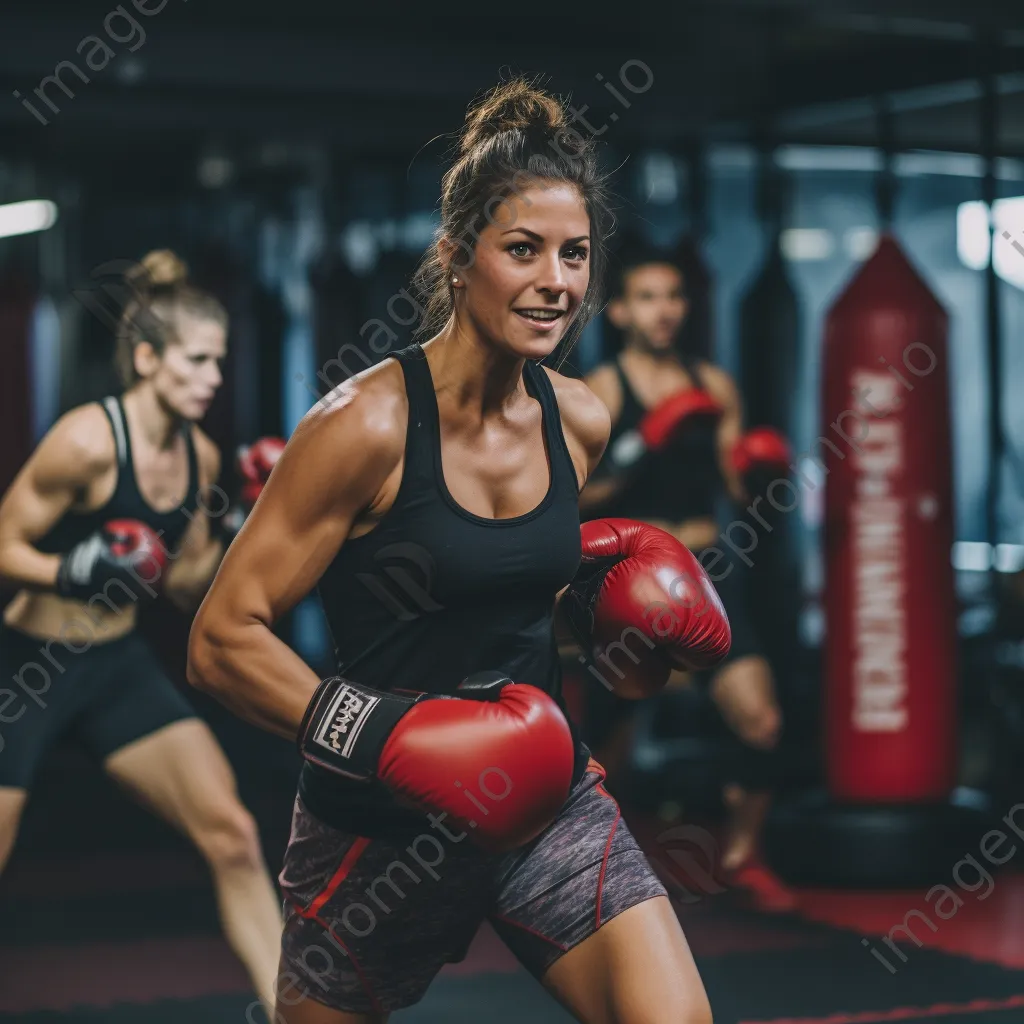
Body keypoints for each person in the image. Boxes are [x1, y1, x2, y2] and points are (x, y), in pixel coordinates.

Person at [187, 80, 732, 1024]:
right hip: (377, 835)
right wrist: (391, 736)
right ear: (456, 258)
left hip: (546, 804)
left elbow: (526, 598)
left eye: (574, 254)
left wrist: (626, 639)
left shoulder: (579, 420)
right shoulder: (365, 427)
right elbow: (220, 640)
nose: (554, 281)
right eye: (522, 250)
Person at [0, 250, 283, 1014]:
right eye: (197, 360)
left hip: (116, 664)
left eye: (219, 362)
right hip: (27, 663)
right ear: (149, 358)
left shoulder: (202, 456)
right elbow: (4, 544)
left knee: (231, 833)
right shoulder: (87, 441)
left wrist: (246, 520)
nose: (215, 378)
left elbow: (185, 582)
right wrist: (74, 567)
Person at [579, 239, 791, 904]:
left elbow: (738, 488)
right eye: (648, 297)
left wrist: (763, 474)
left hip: (706, 567)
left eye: (673, 296)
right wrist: (643, 446)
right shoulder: (600, 392)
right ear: (619, 312)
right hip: (628, 575)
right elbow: (569, 498)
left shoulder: (713, 384)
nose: (663, 310)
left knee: (760, 720)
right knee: (603, 757)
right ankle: (588, 874)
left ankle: (741, 857)